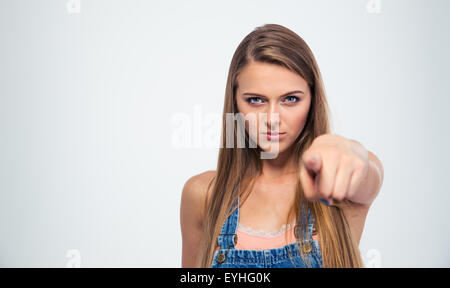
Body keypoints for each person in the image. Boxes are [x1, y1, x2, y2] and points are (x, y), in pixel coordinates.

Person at [180, 23, 384, 268]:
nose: (272, 119)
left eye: (290, 99)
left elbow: (366, 172)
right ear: (234, 102)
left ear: (312, 100)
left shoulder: (337, 182)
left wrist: (352, 152)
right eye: (256, 100)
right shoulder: (205, 195)